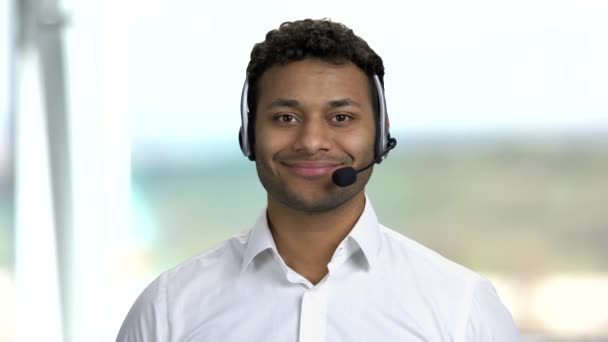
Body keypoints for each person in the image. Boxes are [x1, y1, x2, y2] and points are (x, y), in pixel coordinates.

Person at [117, 18, 520, 341]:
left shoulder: (461, 306)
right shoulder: (169, 309)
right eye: (285, 118)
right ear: (248, 133)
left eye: (340, 118)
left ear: (380, 133)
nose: (311, 141)